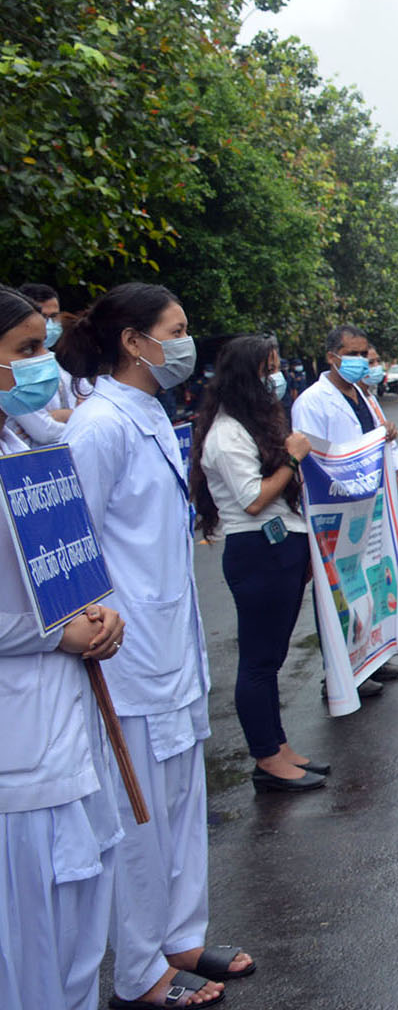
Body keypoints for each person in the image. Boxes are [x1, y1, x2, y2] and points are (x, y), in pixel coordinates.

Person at [58, 282, 251, 1008]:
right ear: (135, 343)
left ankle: (181, 936)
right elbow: (71, 550)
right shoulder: (98, 426)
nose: (185, 341)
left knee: (179, 799)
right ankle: (141, 972)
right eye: (174, 329)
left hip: (172, 645)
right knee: (139, 815)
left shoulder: (149, 413)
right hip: (129, 656)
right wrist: (93, 624)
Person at [0, 285, 128, 1010]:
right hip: (17, 755)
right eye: (24, 351)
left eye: (42, 344)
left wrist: (98, 616)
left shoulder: (27, 443)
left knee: (81, 927)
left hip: (69, 729)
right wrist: (53, 634)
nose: (44, 364)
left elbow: (65, 560)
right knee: (28, 949)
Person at [192, 334, 326, 795]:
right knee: (257, 661)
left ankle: (278, 746)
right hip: (257, 552)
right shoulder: (226, 434)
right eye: (269, 369)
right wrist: (293, 456)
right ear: (247, 377)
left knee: (271, 659)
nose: (278, 378)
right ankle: (266, 757)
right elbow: (253, 500)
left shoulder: (250, 425)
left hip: (279, 548)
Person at [291, 325, 398, 690]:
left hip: (368, 507)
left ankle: (371, 660)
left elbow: (380, 441)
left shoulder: (363, 394)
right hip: (336, 508)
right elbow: (310, 460)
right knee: (338, 589)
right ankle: (339, 677)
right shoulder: (311, 402)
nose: (361, 361)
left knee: (369, 583)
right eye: (354, 354)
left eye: (364, 354)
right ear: (332, 357)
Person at [12, 282, 81, 445]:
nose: (49, 324)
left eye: (53, 316)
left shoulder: (59, 361)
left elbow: (88, 400)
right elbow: (45, 433)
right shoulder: (14, 368)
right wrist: (79, 419)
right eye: (43, 316)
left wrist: (62, 415)